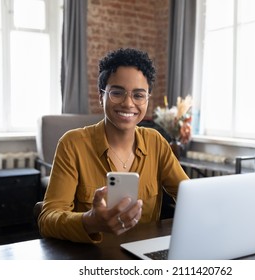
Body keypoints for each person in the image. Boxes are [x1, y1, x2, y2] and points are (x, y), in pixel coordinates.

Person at [38, 48, 189, 243]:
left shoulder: (156, 142)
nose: (128, 103)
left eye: (138, 95)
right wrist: (90, 221)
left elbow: (189, 196)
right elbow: (47, 219)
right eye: (117, 93)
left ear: (147, 99)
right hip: (89, 259)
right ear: (101, 96)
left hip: (143, 257)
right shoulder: (72, 144)